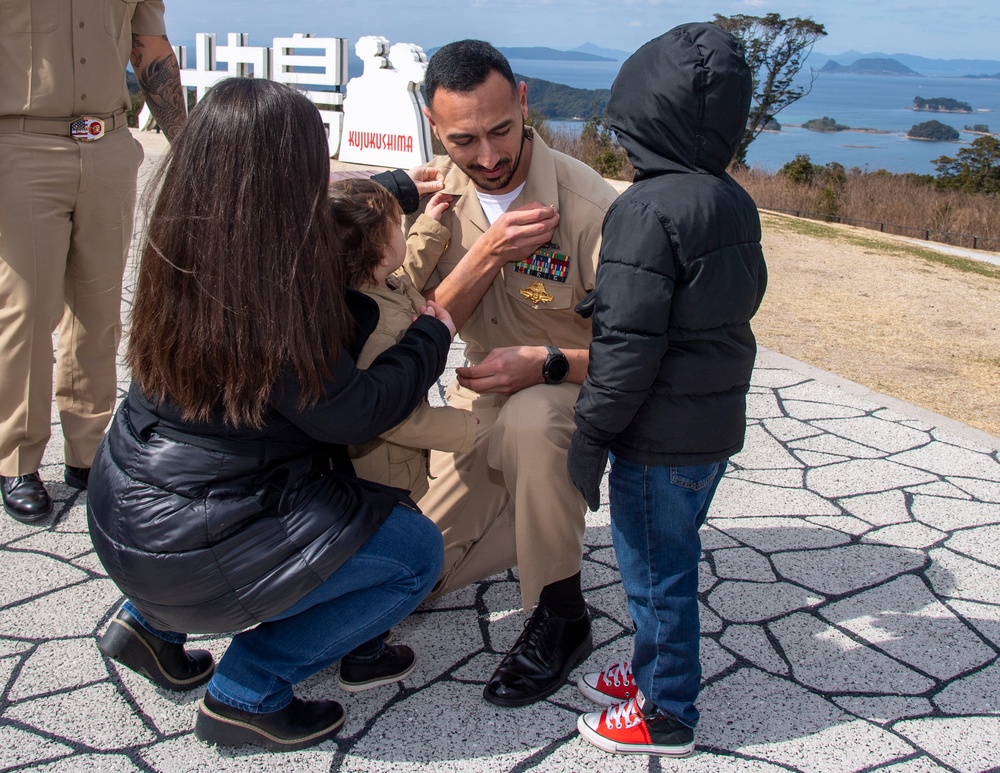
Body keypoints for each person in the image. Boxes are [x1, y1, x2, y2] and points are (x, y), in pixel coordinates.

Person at [87, 77, 456, 751]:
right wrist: (433, 336)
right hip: (198, 545)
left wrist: (401, 187)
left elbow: (332, 216)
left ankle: (148, 626)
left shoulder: (189, 246)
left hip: (128, 521)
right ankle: (248, 689)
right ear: (287, 186)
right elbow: (356, 411)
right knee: (414, 555)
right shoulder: (275, 298)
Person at [567, 23, 768, 756]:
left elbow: (625, 349)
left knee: (657, 574)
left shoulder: (644, 210)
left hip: (657, 438)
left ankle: (666, 709)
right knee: (669, 558)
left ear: (648, 116)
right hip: (709, 430)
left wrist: (589, 438)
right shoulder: (730, 199)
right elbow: (717, 303)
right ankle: (655, 667)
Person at [400, 40, 619, 707]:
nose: (489, 158)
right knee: (407, 577)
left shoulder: (589, 209)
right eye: (464, 139)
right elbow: (405, 332)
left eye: (501, 129)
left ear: (523, 100)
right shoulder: (433, 199)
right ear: (434, 127)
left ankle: (562, 612)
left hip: (566, 401)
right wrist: (487, 252)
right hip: (475, 415)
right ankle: (525, 515)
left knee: (533, 416)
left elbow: (640, 354)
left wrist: (547, 362)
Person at [0, 1, 187, 522]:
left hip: (106, 144)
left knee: (99, 308)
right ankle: (17, 459)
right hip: (19, 145)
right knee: (25, 311)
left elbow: (151, 50)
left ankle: (87, 453)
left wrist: (186, 148)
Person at [329, 178, 478, 501]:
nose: (402, 230)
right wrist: (472, 429)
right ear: (383, 253)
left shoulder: (370, 286)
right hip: (383, 481)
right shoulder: (380, 330)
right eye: (398, 225)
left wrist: (428, 228)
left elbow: (405, 275)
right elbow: (396, 418)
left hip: (390, 470)